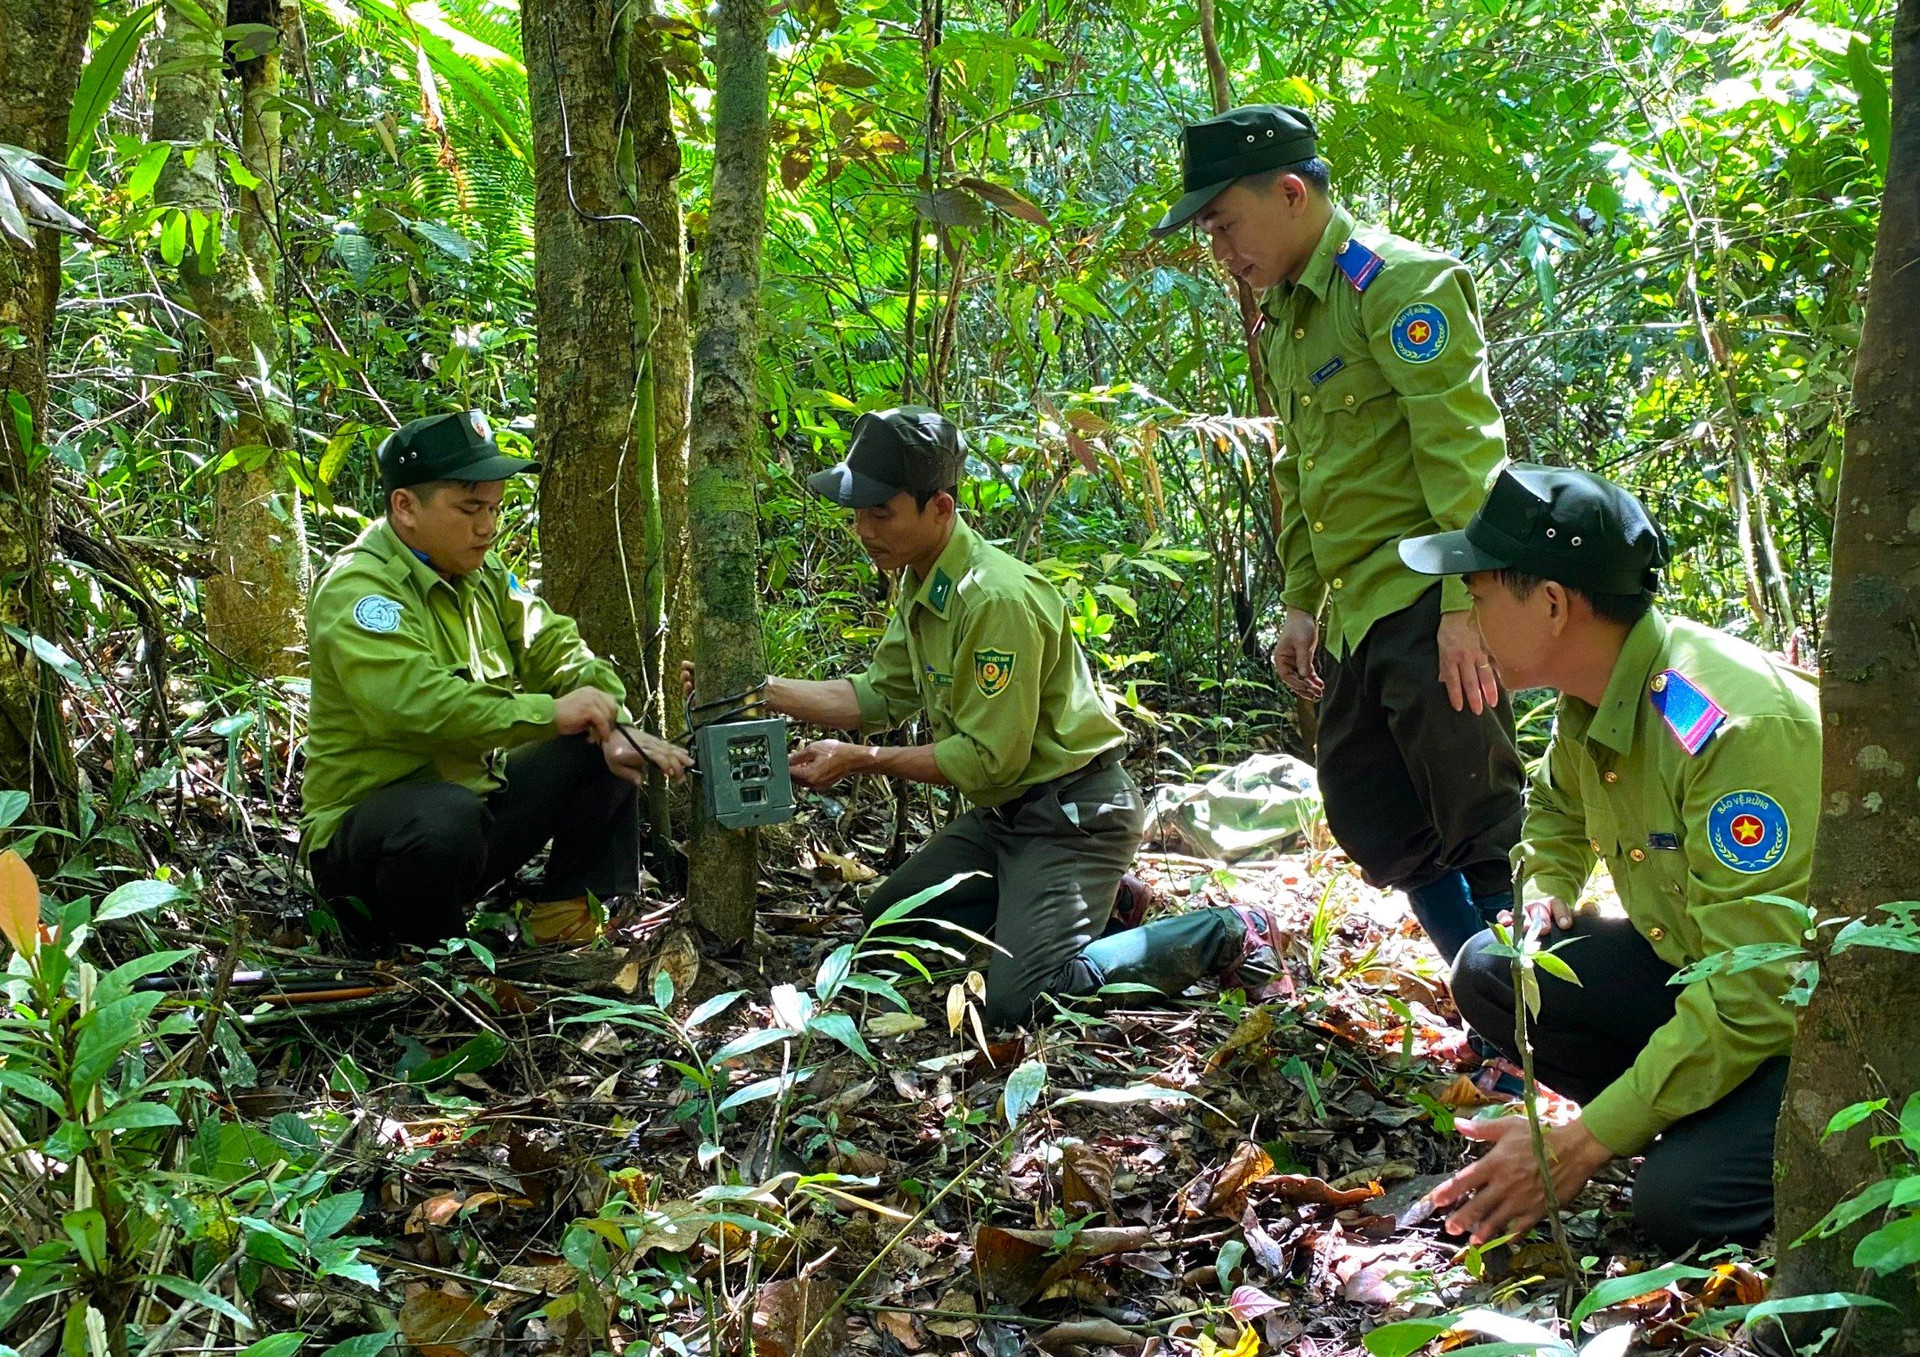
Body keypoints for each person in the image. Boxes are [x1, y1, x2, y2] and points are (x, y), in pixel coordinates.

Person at [683, 407, 1285, 1028]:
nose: (863, 529)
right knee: (892, 927)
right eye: (857, 512)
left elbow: (988, 758)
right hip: (1005, 817)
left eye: (881, 513)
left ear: (939, 508)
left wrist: (860, 759)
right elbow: (875, 697)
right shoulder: (923, 578)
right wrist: (754, 689)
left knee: (1024, 1001)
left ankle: (1229, 931)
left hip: (1071, 816)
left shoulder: (994, 599)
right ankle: (1104, 905)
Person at [1398, 464, 1818, 1254]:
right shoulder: (1591, 691)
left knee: (1679, 1209)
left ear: (1552, 604)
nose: (1464, 613)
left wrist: (1582, 1143)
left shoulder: (1726, 726)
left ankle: (1715, 1137)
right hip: (1699, 968)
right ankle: (1694, 1112)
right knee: (1494, 970)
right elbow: (1557, 805)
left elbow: (1760, 991)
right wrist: (1550, 883)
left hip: (1812, 1020)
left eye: (1480, 590)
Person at [1152, 104, 1524, 961]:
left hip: (1429, 597)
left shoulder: (1396, 283)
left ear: (1290, 193)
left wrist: (1471, 604)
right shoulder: (1286, 314)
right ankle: (1488, 995)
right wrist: (1300, 600)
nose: (1221, 254)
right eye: (1209, 234)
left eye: (1225, 225)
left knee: (1481, 818)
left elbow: (1465, 451)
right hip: (1358, 610)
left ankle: (1532, 1035)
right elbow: (1303, 469)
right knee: (1374, 817)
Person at [301, 410, 691, 950]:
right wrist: (551, 713)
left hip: (471, 820)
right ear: (406, 507)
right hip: (373, 848)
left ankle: (574, 926)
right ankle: (422, 958)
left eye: (494, 508)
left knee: (601, 743)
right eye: (470, 509)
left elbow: (553, 642)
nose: (487, 526)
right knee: (444, 816)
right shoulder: (360, 591)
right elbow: (413, 705)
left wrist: (613, 719)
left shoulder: (478, 573)